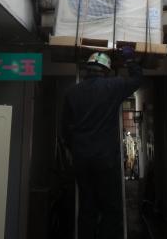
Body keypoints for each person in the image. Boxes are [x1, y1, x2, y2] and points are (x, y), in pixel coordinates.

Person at [61, 47, 142, 239]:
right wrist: (130, 60)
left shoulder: (71, 92)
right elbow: (137, 80)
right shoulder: (113, 86)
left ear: (87, 69)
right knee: (110, 208)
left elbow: (65, 130)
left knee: (87, 206)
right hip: (105, 160)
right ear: (106, 70)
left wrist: (75, 151)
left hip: (82, 160)